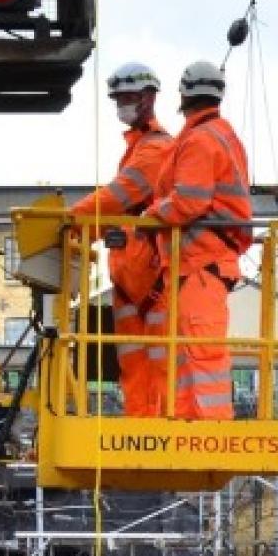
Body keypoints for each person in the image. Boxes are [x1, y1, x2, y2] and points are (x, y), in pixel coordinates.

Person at [147, 61, 250, 420]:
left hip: (201, 262)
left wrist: (149, 219)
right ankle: (187, 423)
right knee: (188, 352)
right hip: (198, 265)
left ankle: (208, 429)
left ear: (183, 95)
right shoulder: (217, 134)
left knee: (201, 352)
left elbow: (189, 200)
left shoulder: (201, 140)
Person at [72, 61, 172, 415]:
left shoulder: (155, 150)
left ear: (148, 98)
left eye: (127, 97)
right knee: (134, 366)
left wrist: (72, 223)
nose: (121, 105)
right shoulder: (138, 147)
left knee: (158, 364)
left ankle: (158, 431)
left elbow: (119, 195)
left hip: (153, 279)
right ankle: (140, 427)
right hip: (132, 278)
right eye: (118, 99)